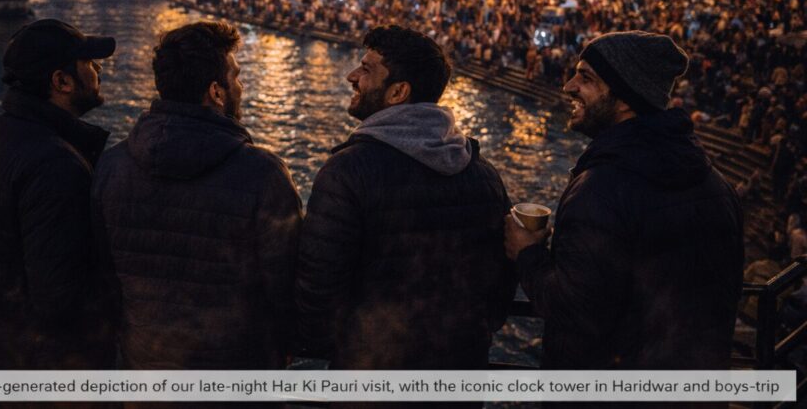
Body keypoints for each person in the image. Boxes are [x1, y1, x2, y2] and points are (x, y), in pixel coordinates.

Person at [505, 30, 744, 369]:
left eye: (586, 77)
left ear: (626, 96)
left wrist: (527, 253)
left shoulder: (601, 190)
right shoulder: (715, 183)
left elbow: (574, 311)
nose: (569, 86)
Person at [297, 24, 515, 370]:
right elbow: (500, 283)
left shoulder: (348, 171)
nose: (352, 76)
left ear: (398, 92)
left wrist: (329, 349)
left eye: (366, 69)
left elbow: (320, 283)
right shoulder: (484, 174)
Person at [91, 20, 302, 369]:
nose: (241, 86)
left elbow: (103, 276)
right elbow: (284, 286)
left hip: (145, 365)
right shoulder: (264, 175)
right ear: (216, 92)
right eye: (236, 77)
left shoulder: (111, 166)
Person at [0, 18, 116, 369]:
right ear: (62, 81)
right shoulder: (57, 164)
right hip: (46, 366)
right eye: (88, 62)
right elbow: (60, 296)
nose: (98, 69)